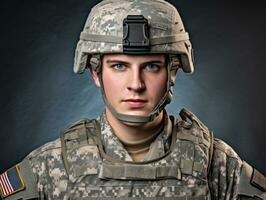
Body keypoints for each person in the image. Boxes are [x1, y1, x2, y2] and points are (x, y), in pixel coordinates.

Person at [0, 0, 265, 199]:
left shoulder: (215, 164)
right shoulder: (50, 165)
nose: (135, 84)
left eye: (151, 66)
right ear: (96, 73)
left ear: (172, 72)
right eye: (119, 66)